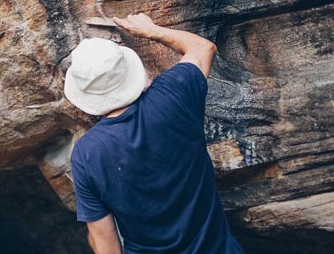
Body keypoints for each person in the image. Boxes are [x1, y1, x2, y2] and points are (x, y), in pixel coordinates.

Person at [65, 13, 243, 254]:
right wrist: (150, 30)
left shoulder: (86, 154)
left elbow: (105, 243)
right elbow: (203, 47)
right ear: (129, 71)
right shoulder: (173, 95)